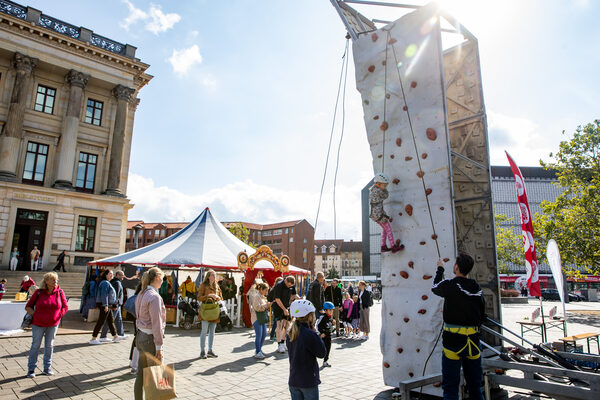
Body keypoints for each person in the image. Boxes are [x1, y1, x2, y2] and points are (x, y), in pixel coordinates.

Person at [432, 254, 485, 400]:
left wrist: (440, 269)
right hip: (473, 342)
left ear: (456, 267)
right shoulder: (476, 287)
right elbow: (481, 315)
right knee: (475, 387)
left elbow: (435, 287)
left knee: (450, 388)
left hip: (453, 343)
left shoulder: (451, 285)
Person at [25, 272, 68, 378]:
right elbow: (28, 306)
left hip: (53, 324)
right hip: (38, 324)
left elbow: (65, 307)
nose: (56, 282)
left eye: (56, 280)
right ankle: (31, 369)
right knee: (35, 345)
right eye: (53, 280)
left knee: (49, 346)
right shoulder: (39, 292)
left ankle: (47, 368)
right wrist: (35, 315)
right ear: (46, 281)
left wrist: (59, 316)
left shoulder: (60, 292)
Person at [134, 267, 166, 400]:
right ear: (157, 278)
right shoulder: (154, 297)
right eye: (162, 279)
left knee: (141, 374)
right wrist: (159, 346)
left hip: (140, 336)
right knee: (155, 376)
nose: (163, 282)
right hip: (149, 338)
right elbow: (156, 323)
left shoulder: (142, 293)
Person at [286, 299, 326, 399]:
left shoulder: (290, 332)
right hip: (308, 380)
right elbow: (322, 353)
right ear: (309, 316)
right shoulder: (310, 334)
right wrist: (317, 334)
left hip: (294, 378)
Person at [369, 173, 404, 253]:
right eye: (384, 185)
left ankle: (383, 245)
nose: (385, 187)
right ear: (378, 184)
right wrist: (384, 190)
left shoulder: (373, 189)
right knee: (388, 229)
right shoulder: (378, 190)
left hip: (375, 215)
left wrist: (383, 188)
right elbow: (385, 196)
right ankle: (393, 246)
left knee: (385, 229)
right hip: (379, 214)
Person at [89, 270, 122, 345]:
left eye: (112, 274)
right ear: (106, 274)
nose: (111, 275)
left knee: (110, 321)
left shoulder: (107, 282)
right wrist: (105, 305)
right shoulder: (105, 283)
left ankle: (115, 336)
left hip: (108, 305)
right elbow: (104, 294)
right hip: (105, 305)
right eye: (110, 273)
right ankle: (93, 338)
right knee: (101, 321)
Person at [197, 269, 222, 359]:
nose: (214, 277)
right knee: (204, 331)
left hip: (214, 310)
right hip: (206, 310)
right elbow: (199, 298)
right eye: (212, 275)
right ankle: (202, 350)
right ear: (208, 276)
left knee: (212, 331)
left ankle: (210, 350)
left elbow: (221, 297)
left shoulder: (216, 286)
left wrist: (218, 297)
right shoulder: (203, 286)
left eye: (215, 275)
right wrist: (209, 296)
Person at [273, 276, 298, 353]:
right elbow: (277, 299)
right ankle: (279, 344)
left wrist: (298, 298)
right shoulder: (279, 286)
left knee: (287, 325)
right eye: (289, 285)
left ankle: (283, 341)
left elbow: (294, 295)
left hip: (287, 307)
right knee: (279, 325)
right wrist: (284, 309)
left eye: (291, 286)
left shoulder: (292, 286)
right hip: (278, 307)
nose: (289, 286)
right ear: (286, 281)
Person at [100, 270, 126, 340]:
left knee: (118, 320)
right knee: (110, 320)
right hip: (116, 305)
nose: (122, 276)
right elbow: (115, 295)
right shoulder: (116, 283)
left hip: (118, 305)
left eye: (123, 275)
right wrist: (115, 305)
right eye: (121, 275)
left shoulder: (116, 282)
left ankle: (121, 334)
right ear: (117, 275)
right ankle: (103, 335)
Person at [250, 282, 271, 359]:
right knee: (259, 335)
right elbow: (257, 307)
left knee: (264, 334)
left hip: (261, 318)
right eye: (266, 290)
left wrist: (267, 305)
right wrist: (266, 305)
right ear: (261, 290)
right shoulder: (257, 297)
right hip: (256, 318)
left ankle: (259, 350)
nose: (267, 292)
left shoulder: (262, 296)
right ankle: (258, 351)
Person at [317, 301, 335, 367]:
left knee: (328, 348)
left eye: (332, 310)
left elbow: (330, 326)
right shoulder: (322, 317)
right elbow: (317, 325)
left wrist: (333, 324)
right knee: (320, 349)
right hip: (323, 336)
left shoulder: (330, 317)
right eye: (330, 310)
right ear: (325, 310)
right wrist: (320, 333)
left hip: (328, 336)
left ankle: (325, 361)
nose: (331, 311)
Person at [267, 277, 283, 341]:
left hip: (277, 306)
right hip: (277, 306)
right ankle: (272, 335)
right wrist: (273, 301)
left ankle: (276, 335)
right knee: (276, 321)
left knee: (277, 321)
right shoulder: (276, 289)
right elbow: (269, 298)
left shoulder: (274, 289)